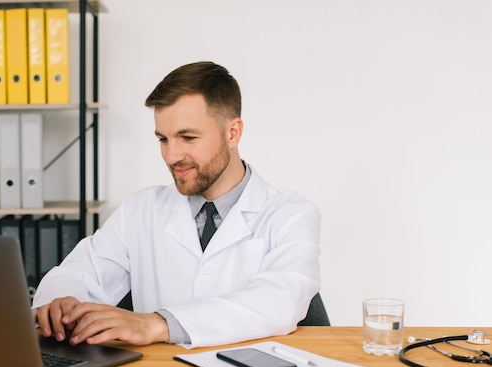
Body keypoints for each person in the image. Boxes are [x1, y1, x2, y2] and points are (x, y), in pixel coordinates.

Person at [32, 61, 321, 348]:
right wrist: (59, 303)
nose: (171, 156)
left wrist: (158, 324)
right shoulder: (140, 209)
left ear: (233, 133)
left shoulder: (289, 213)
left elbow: (281, 300)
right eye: (163, 139)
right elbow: (80, 272)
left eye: (188, 137)